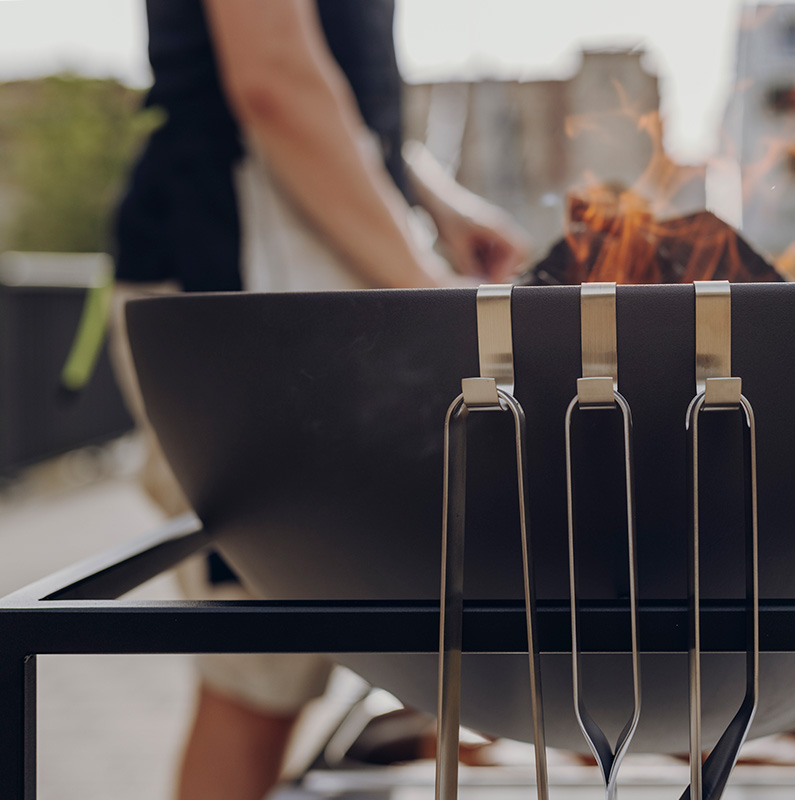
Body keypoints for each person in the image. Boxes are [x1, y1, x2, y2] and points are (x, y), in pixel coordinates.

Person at [109, 2, 530, 798]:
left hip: (281, 297)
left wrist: (436, 203)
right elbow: (274, 81)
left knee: (287, 663)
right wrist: (429, 290)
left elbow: (335, 91)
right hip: (234, 295)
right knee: (258, 673)